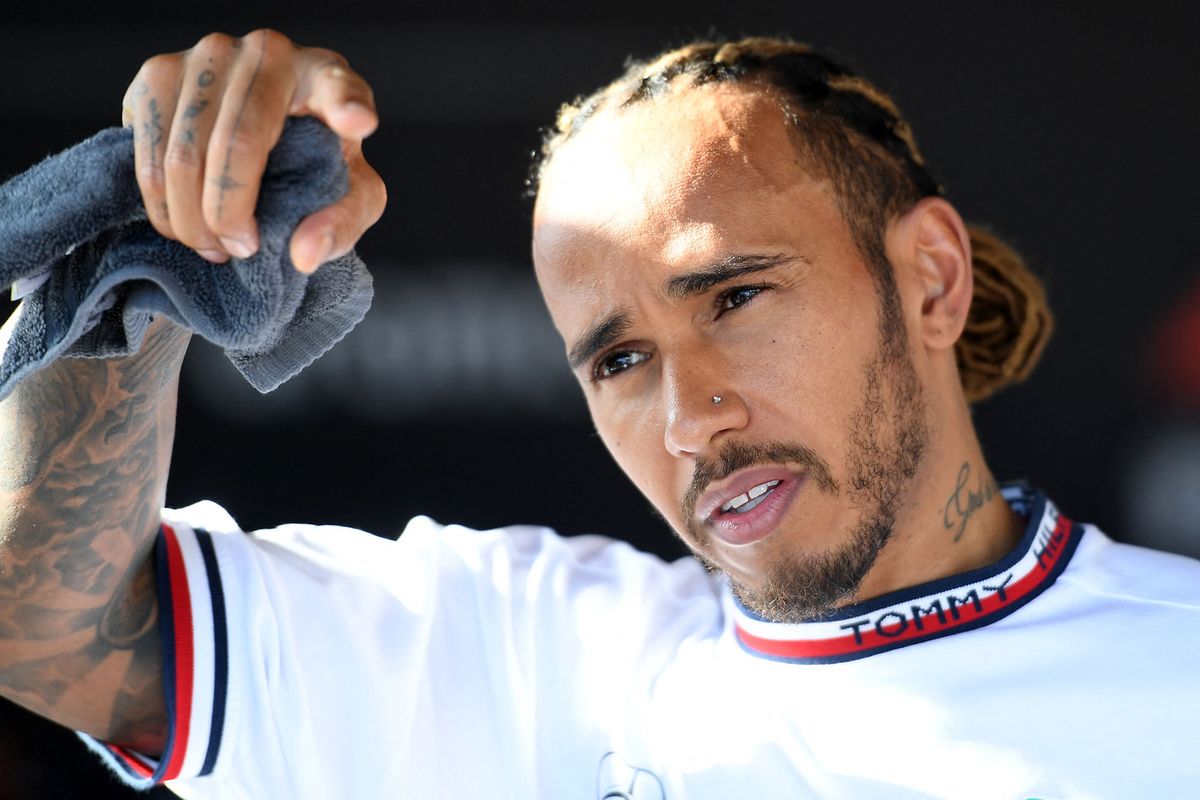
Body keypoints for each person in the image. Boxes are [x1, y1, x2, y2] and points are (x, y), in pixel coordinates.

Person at [0, 29, 1196, 799]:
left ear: (930, 278)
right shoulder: (539, 655)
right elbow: (44, 629)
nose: (690, 415)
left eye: (733, 296)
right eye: (619, 358)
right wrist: (143, 272)